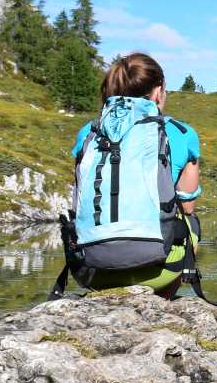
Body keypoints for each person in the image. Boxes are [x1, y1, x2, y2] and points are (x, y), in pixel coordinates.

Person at [56, 52, 203, 298]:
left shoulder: (88, 133)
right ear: (159, 90)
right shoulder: (182, 132)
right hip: (159, 271)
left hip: (91, 269)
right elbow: (187, 206)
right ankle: (163, 298)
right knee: (191, 223)